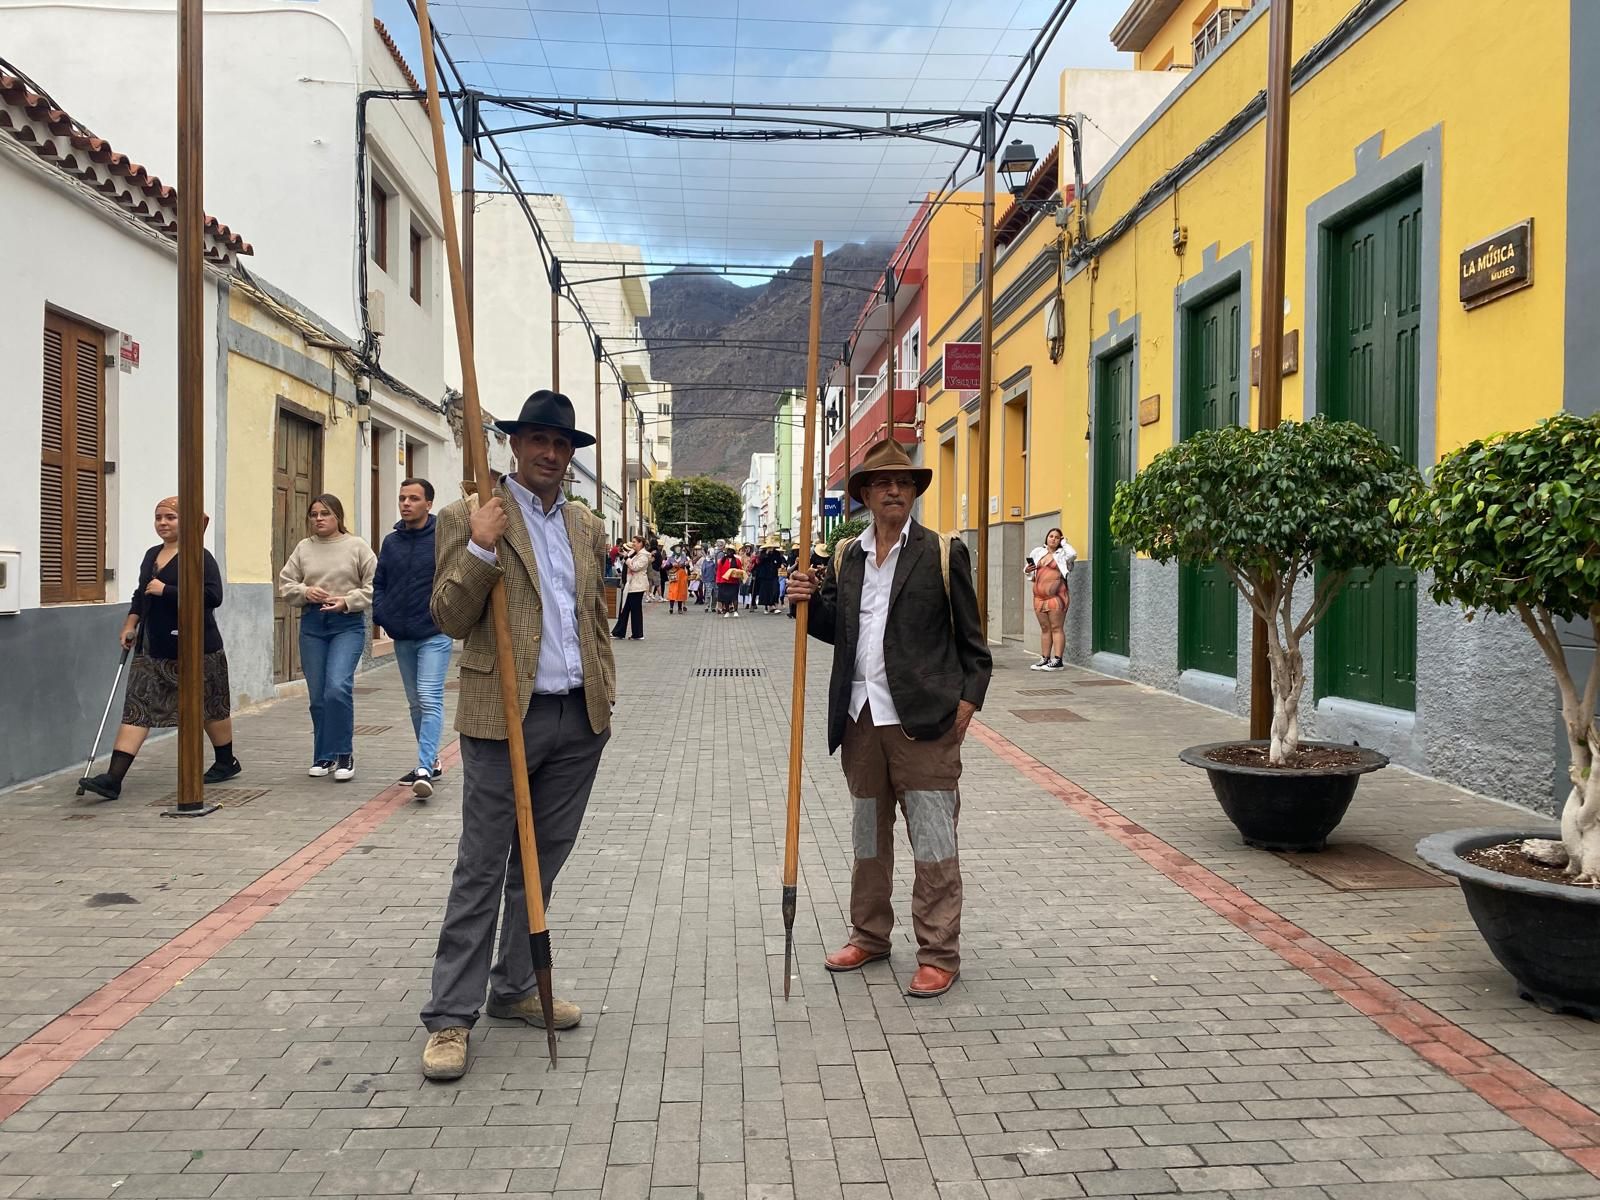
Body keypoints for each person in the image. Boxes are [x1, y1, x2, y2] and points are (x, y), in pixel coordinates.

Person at [420, 389, 616, 1082]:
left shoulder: (585, 525)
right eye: (538, 440)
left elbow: (591, 613)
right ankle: (449, 1016)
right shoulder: (469, 514)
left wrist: (606, 693)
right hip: (501, 716)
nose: (550, 453)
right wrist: (478, 544)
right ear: (514, 444)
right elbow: (446, 614)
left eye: (561, 445)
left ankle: (511, 988)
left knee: (541, 864)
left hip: (577, 718)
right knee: (482, 863)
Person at [786, 440, 991, 999]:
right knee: (867, 841)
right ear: (866, 496)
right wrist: (804, 602)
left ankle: (938, 952)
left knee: (932, 844)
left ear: (915, 491)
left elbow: (975, 647)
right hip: (861, 721)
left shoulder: (943, 553)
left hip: (924, 725)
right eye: (882, 483)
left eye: (903, 482)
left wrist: (965, 708)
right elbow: (839, 630)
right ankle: (870, 934)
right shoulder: (848, 556)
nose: (894, 491)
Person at [79, 497, 238, 800]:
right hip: (151, 647)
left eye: (171, 517)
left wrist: (167, 590)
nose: (163, 523)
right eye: (158, 517)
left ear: (186, 522)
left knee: (211, 708)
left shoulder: (200, 557)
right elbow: (141, 594)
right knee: (137, 709)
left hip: (197, 647)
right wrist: (130, 624)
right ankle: (113, 779)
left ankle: (225, 761)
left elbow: (212, 597)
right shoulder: (152, 555)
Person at [278, 494, 376, 782]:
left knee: (337, 687)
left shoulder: (356, 546)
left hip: (347, 624)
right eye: (314, 514)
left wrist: (347, 601)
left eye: (325, 513)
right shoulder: (304, 548)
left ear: (338, 517)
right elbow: (286, 583)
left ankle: (344, 752)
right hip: (313, 623)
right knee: (318, 696)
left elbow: (374, 585)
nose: (319, 518)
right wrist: (305, 592)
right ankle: (324, 754)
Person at [373, 477, 452, 798]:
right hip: (402, 635)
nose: (406, 503)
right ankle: (430, 760)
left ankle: (423, 767)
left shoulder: (442, 539)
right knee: (415, 702)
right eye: (403, 498)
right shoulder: (391, 542)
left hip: (434, 633)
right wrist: (382, 613)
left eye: (414, 498)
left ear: (428, 504)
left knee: (429, 697)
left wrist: (444, 615)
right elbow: (379, 582)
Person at [1025, 527, 1077, 671]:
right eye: (1051, 536)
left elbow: (1073, 554)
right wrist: (1027, 570)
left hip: (1057, 596)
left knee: (1056, 627)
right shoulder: (1038, 552)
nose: (1053, 539)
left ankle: (1058, 660)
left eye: (1057, 537)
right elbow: (1029, 571)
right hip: (1039, 597)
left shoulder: (1063, 554)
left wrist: (1064, 543)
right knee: (1045, 628)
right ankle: (1045, 658)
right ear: (1046, 538)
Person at [611, 535, 650, 639]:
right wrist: (625, 555)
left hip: (637, 585)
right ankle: (619, 632)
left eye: (635, 542)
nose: (633, 544)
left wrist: (626, 558)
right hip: (629, 584)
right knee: (624, 608)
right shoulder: (634, 552)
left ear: (641, 543)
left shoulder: (644, 555)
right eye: (632, 542)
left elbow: (635, 567)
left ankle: (637, 634)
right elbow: (626, 561)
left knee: (635, 610)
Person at [754, 540, 783, 614]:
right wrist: (766, 553)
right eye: (769, 547)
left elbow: (779, 562)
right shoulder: (762, 553)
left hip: (773, 574)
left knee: (775, 590)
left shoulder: (776, 553)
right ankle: (766, 607)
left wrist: (780, 565)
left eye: (772, 547)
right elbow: (759, 562)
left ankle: (774, 606)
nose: (771, 548)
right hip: (764, 575)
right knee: (766, 591)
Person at [715, 545, 743, 617]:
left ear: (733, 552)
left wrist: (740, 577)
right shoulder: (722, 560)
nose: (729, 552)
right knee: (726, 597)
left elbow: (740, 570)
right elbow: (719, 571)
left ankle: (735, 611)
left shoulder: (737, 561)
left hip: (734, 582)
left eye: (731, 551)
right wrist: (718, 580)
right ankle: (727, 611)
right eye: (728, 551)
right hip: (724, 581)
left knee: (734, 597)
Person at [701, 547, 720, 614]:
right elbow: (703, 570)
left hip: (715, 580)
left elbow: (717, 569)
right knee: (708, 594)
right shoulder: (705, 560)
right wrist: (703, 578)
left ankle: (713, 607)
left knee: (715, 595)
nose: (710, 554)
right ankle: (707, 606)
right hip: (708, 579)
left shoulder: (715, 561)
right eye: (709, 552)